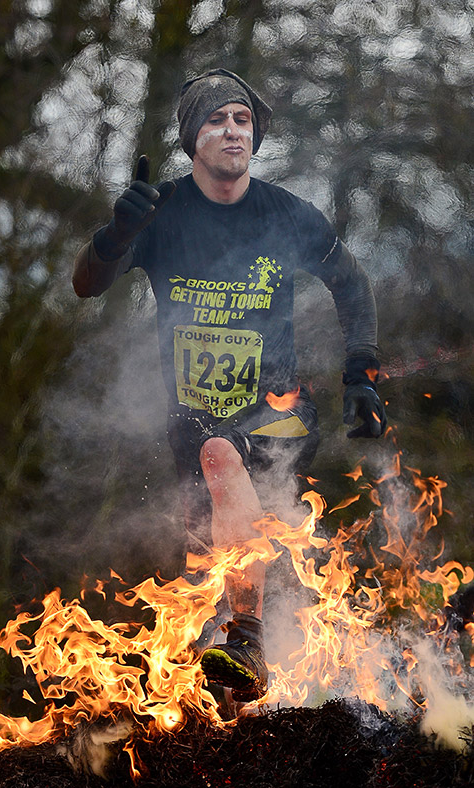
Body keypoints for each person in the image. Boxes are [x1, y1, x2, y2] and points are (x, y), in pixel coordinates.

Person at [72, 68, 387, 702]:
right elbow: (87, 285)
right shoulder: (160, 214)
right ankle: (249, 687)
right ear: (193, 138)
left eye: (242, 119)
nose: (232, 130)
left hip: (278, 408)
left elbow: (351, 285)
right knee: (208, 566)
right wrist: (115, 237)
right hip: (190, 414)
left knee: (226, 467)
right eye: (216, 120)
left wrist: (363, 371)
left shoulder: (289, 215)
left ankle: (247, 638)